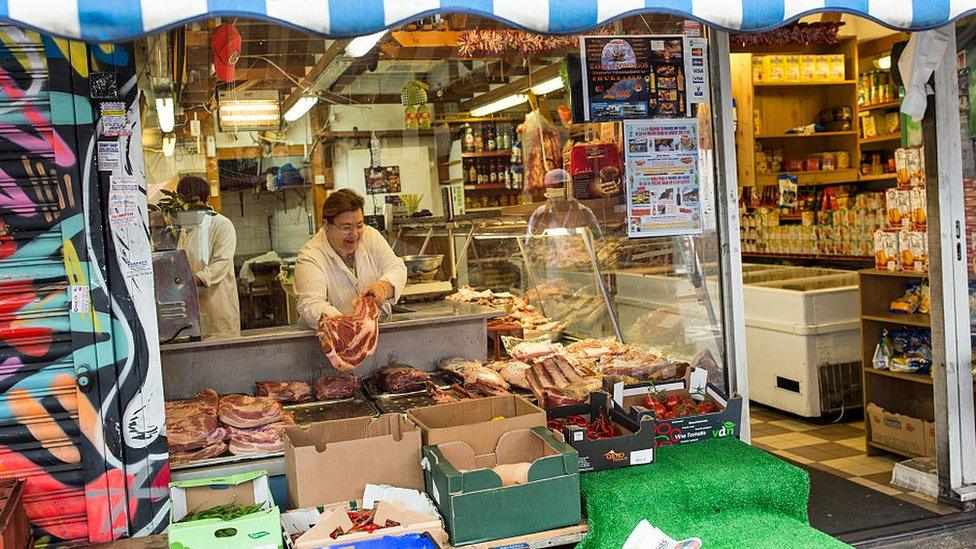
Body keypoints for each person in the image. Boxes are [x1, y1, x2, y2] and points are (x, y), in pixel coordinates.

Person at [294, 189, 407, 329]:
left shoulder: (370, 235)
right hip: (330, 340)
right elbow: (311, 304)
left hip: (376, 331)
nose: (354, 234)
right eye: (346, 227)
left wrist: (382, 288)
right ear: (327, 225)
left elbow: (397, 267)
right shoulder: (310, 257)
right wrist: (346, 326)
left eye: (359, 225)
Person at [175, 175, 241, 339]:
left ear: (204, 200)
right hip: (189, 315)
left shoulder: (221, 225)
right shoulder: (183, 227)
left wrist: (192, 280)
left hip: (216, 309)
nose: (190, 206)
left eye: (194, 200)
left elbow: (221, 263)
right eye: (185, 201)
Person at [526, 169, 603, 239]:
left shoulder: (584, 211)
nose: (558, 202)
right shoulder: (540, 214)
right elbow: (533, 236)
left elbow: (598, 237)